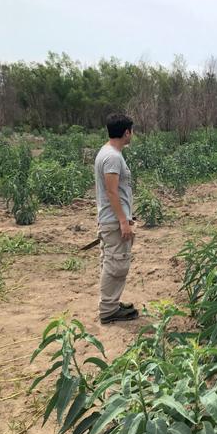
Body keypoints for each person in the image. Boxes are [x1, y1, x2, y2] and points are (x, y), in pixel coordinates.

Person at [95, 113, 138, 323]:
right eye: (131, 131)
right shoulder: (112, 156)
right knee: (116, 264)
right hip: (113, 221)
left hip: (112, 218)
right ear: (126, 132)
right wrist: (122, 221)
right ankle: (108, 310)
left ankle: (111, 304)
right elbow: (112, 192)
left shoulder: (109, 153)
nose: (132, 135)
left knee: (112, 262)